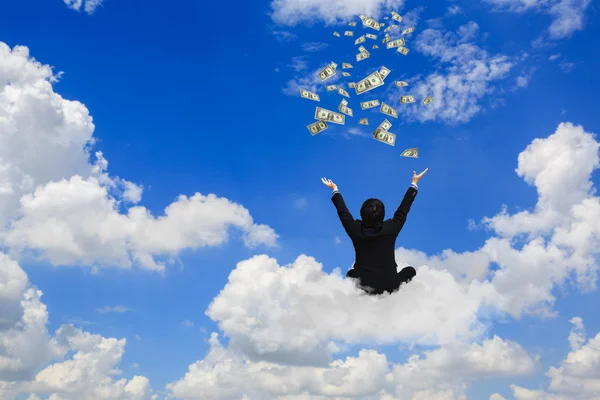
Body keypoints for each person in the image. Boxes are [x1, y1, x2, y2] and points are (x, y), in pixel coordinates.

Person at [321, 168, 428, 295]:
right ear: (382, 214)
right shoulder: (391, 228)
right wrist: (414, 183)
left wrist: (335, 189)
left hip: (363, 284)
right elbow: (403, 209)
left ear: (362, 214)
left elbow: (343, 212)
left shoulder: (355, 230)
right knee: (410, 271)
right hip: (390, 285)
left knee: (350, 274)